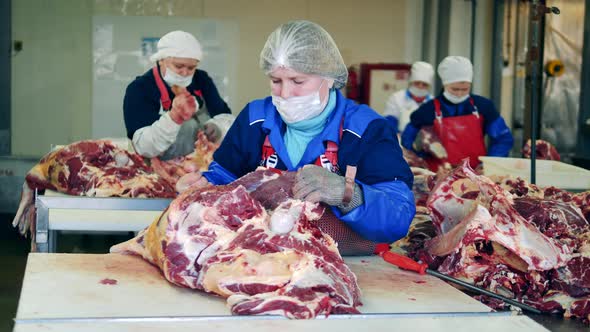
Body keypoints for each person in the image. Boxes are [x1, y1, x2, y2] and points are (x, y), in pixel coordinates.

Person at [189, 20, 415, 247]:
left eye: (298, 81)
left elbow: (398, 217)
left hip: (340, 265)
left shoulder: (367, 129)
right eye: (276, 81)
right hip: (258, 257)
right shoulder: (254, 118)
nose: (285, 93)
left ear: (329, 77)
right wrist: (203, 186)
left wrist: (346, 193)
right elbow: (225, 179)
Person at [123, 30, 232, 160]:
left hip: (199, 165)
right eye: (178, 66)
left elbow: (225, 116)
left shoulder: (201, 79)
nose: (185, 73)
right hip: (157, 172)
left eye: (191, 68)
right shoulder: (140, 89)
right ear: (161, 60)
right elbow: (143, 147)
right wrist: (174, 118)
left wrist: (217, 128)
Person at [401, 56, 514, 170]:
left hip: (475, 173)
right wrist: (422, 155)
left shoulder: (483, 106)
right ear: (445, 85)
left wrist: (489, 164)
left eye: (465, 89)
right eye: (454, 89)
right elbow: (408, 140)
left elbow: (503, 138)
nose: (460, 93)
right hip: (439, 175)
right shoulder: (427, 110)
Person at [383, 61, 434, 133]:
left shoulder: (433, 102)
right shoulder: (396, 98)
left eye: (424, 84)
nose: (420, 86)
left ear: (429, 86)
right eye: (417, 83)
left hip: (425, 141)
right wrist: (395, 135)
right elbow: (390, 120)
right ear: (411, 82)